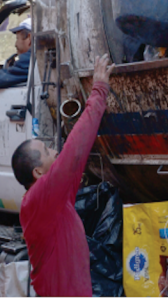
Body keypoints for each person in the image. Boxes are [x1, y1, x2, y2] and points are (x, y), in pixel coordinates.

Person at [12, 54, 115, 296]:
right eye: (47, 151)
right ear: (38, 172)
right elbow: (74, 150)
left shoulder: (55, 200)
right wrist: (98, 91)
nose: (55, 152)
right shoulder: (39, 198)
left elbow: (77, 159)